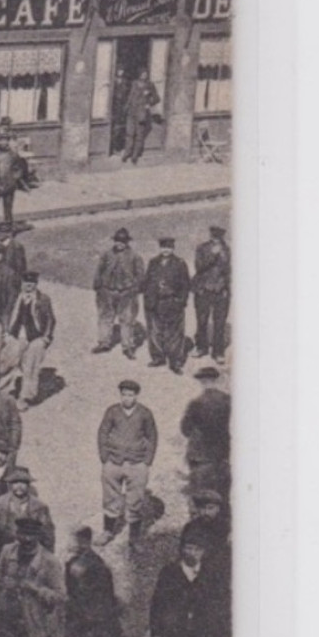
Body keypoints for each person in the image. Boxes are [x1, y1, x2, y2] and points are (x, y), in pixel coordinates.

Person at [96, 379, 158, 545]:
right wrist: (104, 457)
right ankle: (108, 532)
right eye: (124, 394)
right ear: (120, 395)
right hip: (114, 462)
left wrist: (147, 461)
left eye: (130, 395)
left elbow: (152, 436)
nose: (127, 398)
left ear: (136, 396)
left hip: (136, 463)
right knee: (110, 498)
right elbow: (102, 433)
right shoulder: (112, 411)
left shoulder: (145, 413)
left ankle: (134, 537)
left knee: (135, 500)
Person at [0, 270, 55, 409]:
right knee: (8, 362)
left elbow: (50, 319)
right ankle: (1, 391)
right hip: (16, 335)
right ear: (22, 284)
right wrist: (6, 333)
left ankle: (25, 397)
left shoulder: (43, 299)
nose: (28, 286)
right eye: (26, 283)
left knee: (31, 366)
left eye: (32, 283)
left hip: (35, 337)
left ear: (36, 284)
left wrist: (46, 338)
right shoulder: (14, 297)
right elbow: (5, 314)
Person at [92, 228, 145, 358]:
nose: (120, 243)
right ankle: (104, 343)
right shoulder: (106, 255)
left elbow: (140, 275)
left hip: (126, 293)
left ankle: (127, 346)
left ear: (127, 242)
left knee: (127, 320)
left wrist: (134, 289)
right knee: (105, 318)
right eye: (117, 241)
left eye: (123, 241)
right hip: (107, 291)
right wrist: (99, 287)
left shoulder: (134, 256)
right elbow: (99, 271)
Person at [142, 237, 192, 373]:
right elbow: (147, 282)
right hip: (155, 303)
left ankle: (175, 361)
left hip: (172, 302)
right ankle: (158, 357)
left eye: (169, 248)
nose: (166, 250)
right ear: (160, 248)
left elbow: (186, 285)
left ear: (173, 249)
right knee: (155, 331)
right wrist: (148, 299)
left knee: (175, 333)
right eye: (163, 247)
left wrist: (180, 301)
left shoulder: (180, 263)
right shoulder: (153, 262)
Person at [181, 366, 232, 499]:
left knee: (200, 497)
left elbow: (185, 429)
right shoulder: (228, 400)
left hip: (200, 456)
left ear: (202, 382)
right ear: (216, 381)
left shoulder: (196, 403)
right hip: (222, 456)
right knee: (222, 497)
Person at [192, 224, 230, 361]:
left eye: (219, 237)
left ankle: (218, 352)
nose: (216, 239)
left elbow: (228, 272)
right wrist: (213, 255)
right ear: (210, 235)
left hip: (220, 291)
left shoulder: (226, 249)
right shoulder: (202, 248)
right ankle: (201, 347)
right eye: (214, 236)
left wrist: (227, 289)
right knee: (202, 320)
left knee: (219, 322)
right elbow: (199, 267)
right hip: (204, 290)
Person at [122, 69, 160, 164]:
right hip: (131, 112)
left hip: (142, 113)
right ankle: (127, 153)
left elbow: (157, 98)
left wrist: (149, 104)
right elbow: (130, 97)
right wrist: (126, 108)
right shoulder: (134, 84)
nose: (144, 75)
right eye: (142, 73)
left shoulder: (150, 85)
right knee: (129, 134)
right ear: (139, 74)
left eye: (145, 73)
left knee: (139, 135)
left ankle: (135, 156)